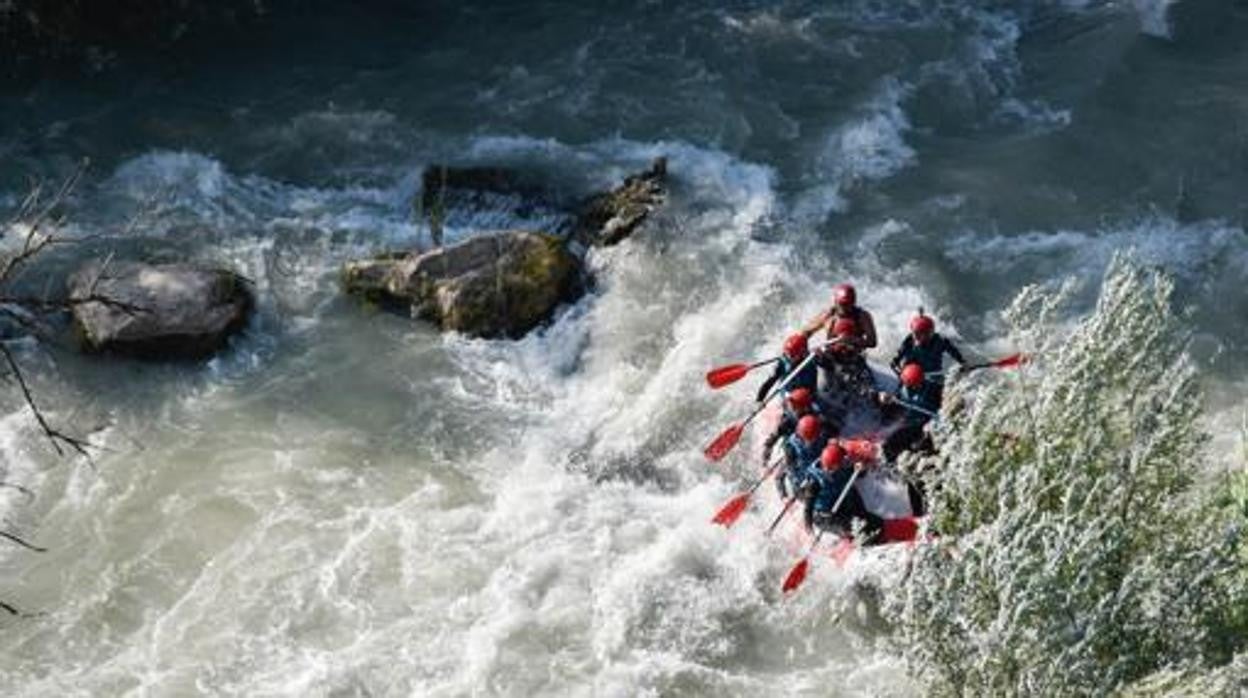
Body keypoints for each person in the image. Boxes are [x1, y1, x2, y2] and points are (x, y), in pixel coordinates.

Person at [799, 441, 884, 542]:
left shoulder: (840, 467)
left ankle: (865, 524)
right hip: (825, 516)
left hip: (842, 504)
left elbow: (856, 473)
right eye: (842, 461)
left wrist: (860, 469)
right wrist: (809, 527)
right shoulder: (815, 482)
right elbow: (808, 507)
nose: (845, 462)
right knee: (857, 529)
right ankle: (857, 538)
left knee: (876, 523)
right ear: (834, 465)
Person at [890, 313, 964, 406]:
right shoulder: (908, 341)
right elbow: (894, 363)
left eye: (922, 334)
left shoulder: (940, 341)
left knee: (940, 397)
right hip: (913, 377)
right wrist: (903, 374)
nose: (917, 338)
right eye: (915, 333)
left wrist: (963, 363)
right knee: (903, 395)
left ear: (931, 333)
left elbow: (954, 352)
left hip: (933, 376)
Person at [760, 387, 840, 466]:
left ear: (805, 408)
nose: (791, 409)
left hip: (814, 446)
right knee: (791, 448)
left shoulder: (818, 419)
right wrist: (769, 445)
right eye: (792, 407)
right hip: (800, 442)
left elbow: (833, 431)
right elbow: (780, 430)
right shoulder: (792, 418)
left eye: (794, 408)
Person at [878, 362, 940, 463]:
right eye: (907, 384)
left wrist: (932, 423)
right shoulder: (905, 388)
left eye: (911, 385)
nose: (908, 386)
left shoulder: (931, 390)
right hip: (910, 419)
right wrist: (887, 399)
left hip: (923, 422)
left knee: (915, 443)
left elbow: (938, 408)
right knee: (890, 439)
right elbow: (898, 399)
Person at [775, 414, 827, 500]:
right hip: (802, 480)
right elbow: (781, 475)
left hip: (817, 468)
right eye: (813, 438)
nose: (816, 439)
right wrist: (784, 496)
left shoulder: (819, 433)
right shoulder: (791, 451)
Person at [756, 333, 818, 403]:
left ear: (802, 353)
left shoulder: (812, 357)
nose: (789, 357)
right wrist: (759, 400)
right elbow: (769, 383)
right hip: (789, 395)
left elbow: (826, 365)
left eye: (792, 355)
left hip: (810, 395)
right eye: (787, 354)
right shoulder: (781, 363)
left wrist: (821, 356)